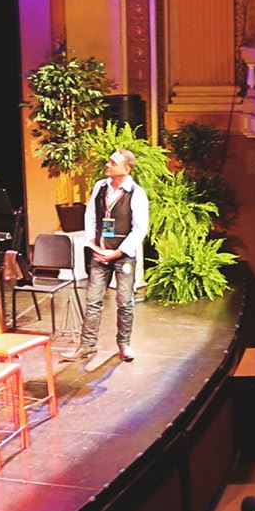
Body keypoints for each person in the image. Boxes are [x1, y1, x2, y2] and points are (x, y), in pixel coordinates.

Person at [73, 148, 150, 370]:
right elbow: (90, 217)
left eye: (113, 163)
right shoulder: (100, 187)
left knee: (124, 301)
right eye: (109, 161)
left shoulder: (136, 193)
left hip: (122, 256)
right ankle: (87, 345)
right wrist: (93, 244)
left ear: (127, 169)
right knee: (93, 301)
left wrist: (118, 252)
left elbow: (139, 229)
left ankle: (124, 344)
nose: (107, 165)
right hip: (100, 253)